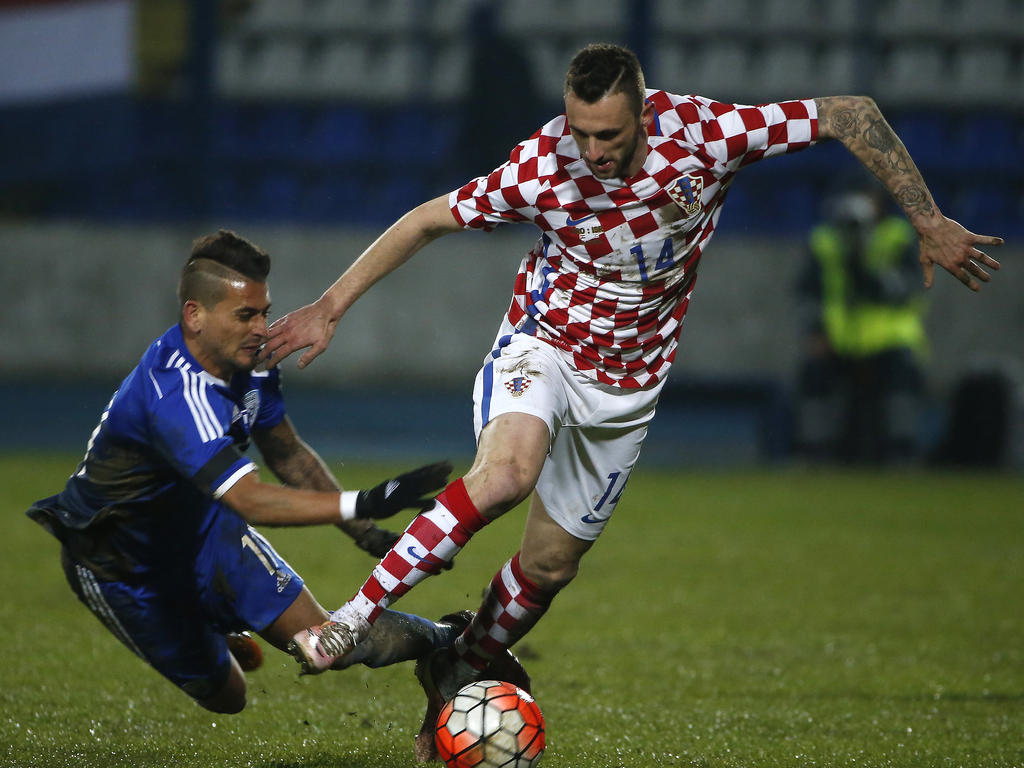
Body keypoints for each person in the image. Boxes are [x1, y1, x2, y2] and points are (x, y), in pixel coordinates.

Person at [260, 43, 1003, 759]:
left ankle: (460, 662)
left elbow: (850, 112)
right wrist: (330, 305)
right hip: (541, 347)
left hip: (626, 388)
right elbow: (426, 219)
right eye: (580, 132)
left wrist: (926, 218)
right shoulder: (542, 164)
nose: (592, 151)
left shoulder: (710, 136)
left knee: (549, 569)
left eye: (608, 135)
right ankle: (353, 618)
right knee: (506, 477)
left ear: (644, 112)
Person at [26, 229, 464, 715]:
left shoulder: (252, 364)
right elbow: (251, 500)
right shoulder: (174, 394)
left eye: (264, 312)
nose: (261, 328)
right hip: (121, 561)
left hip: (206, 529)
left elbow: (289, 455)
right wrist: (363, 500)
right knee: (228, 698)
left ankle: (452, 643)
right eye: (245, 315)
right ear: (195, 315)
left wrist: (365, 533)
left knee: (325, 645)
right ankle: (209, 627)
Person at [795, 185, 930, 463]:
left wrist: (866, 258)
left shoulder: (897, 236)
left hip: (887, 340)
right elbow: (808, 292)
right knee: (812, 374)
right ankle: (814, 454)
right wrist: (816, 331)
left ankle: (900, 453)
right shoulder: (825, 240)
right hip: (839, 339)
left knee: (902, 377)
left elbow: (907, 289)